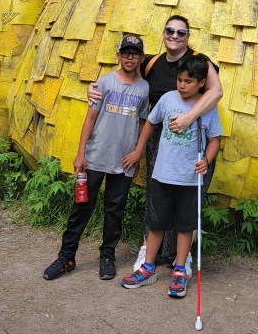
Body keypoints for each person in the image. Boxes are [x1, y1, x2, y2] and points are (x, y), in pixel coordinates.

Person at [88, 15, 222, 274]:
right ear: (163, 33)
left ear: (188, 36)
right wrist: (94, 89)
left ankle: (179, 257)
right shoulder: (151, 62)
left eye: (181, 32)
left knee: (187, 198)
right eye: (170, 30)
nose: (175, 35)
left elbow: (216, 93)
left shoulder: (199, 61)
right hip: (160, 136)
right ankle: (149, 250)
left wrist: (187, 118)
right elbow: (124, 75)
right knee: (158, 194)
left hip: (193, 134)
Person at [43, 36, 150, 281]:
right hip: (96, 156)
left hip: (124, 161)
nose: (130, 58)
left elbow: (144, 122)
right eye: (126, 53)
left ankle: (107, 254)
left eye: (135, 54)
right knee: (81, 207)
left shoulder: (144, 89)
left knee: (115, 210)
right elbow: (90, 118)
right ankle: (66, 256)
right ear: (118, 56)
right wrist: (81, 153)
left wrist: (138, 152)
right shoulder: (104, 82)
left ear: (141, 58)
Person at [119, 54, 222, 298]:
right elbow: (151, 123)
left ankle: (179, 270)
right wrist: (138, 149)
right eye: (179, 80)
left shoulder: (206, 109)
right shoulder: (166, 100)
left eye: (188, 81)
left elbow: (215, 140)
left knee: (185, 226)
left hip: (188, 179)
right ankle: (148, 267)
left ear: (201, 84)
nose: (182, 85)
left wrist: (206, 160)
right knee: (156, 223)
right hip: (162, 175)